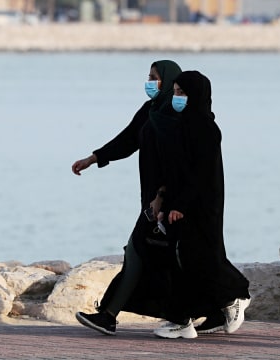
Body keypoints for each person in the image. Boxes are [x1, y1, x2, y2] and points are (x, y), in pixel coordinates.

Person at [71, 60, 185, 336]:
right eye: (149, 76)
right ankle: (207, 309)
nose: (149, 82)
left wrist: (161, 196)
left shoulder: (177, 117)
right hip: (152, 198)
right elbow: (127, 140)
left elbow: (178, 164)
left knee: (137, 250)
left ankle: (108, 315)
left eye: (154, 77)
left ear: (168, 81)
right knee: (155, 255)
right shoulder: (151, 110)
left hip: (169, 199)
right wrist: (94, 158)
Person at [150, 70, 251, 339]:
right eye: (175, 92)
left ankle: (235, 294)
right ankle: (193, 316)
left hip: (201, 204)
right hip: (181, 201)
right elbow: (176, 171)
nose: (177, 98)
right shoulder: (182, 124)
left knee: (199, 256)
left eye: (182, 93)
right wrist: (164, 199)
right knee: (185, 259)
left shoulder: (204, 127)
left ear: (197, 95)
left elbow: (200, 173)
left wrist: (179, 205)